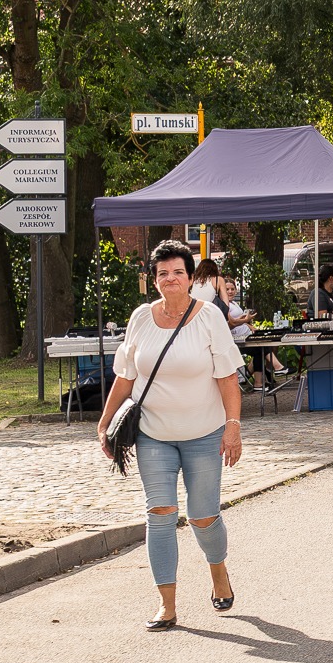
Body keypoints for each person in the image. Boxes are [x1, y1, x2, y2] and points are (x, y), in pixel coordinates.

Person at [97, 239, 244, 630]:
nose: (170, 279)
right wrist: (105, 420)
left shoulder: (209, 318)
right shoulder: (141, 318)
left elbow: (228, 378)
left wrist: (233, 427)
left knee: (203, 516)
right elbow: (126, 375)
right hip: (153, 436)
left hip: (204, 434)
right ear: (154, 278)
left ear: (190, 276)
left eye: (178, 272)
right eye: (163, 273)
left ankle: (218, 571)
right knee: (159, 513)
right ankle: (167, 604)